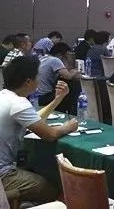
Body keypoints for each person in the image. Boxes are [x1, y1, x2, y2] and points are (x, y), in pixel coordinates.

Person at [1, 57, 78, 203]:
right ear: (28, 82)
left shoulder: (5, 96)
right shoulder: (18, 103)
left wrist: (57, 99)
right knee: (50, 189)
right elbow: (50, 135)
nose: (39, 80)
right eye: (38, 76)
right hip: (3, 175)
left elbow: (35, 118)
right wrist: (68, 127)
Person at [37, 42, 80, 111]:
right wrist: (76, 71)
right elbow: (68, 76)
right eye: (67, 56)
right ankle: (72, 112)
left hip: (38, 97)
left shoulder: (43, 58)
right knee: (72, 85)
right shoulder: (55, 60)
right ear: (60, 55)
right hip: (46, 96)